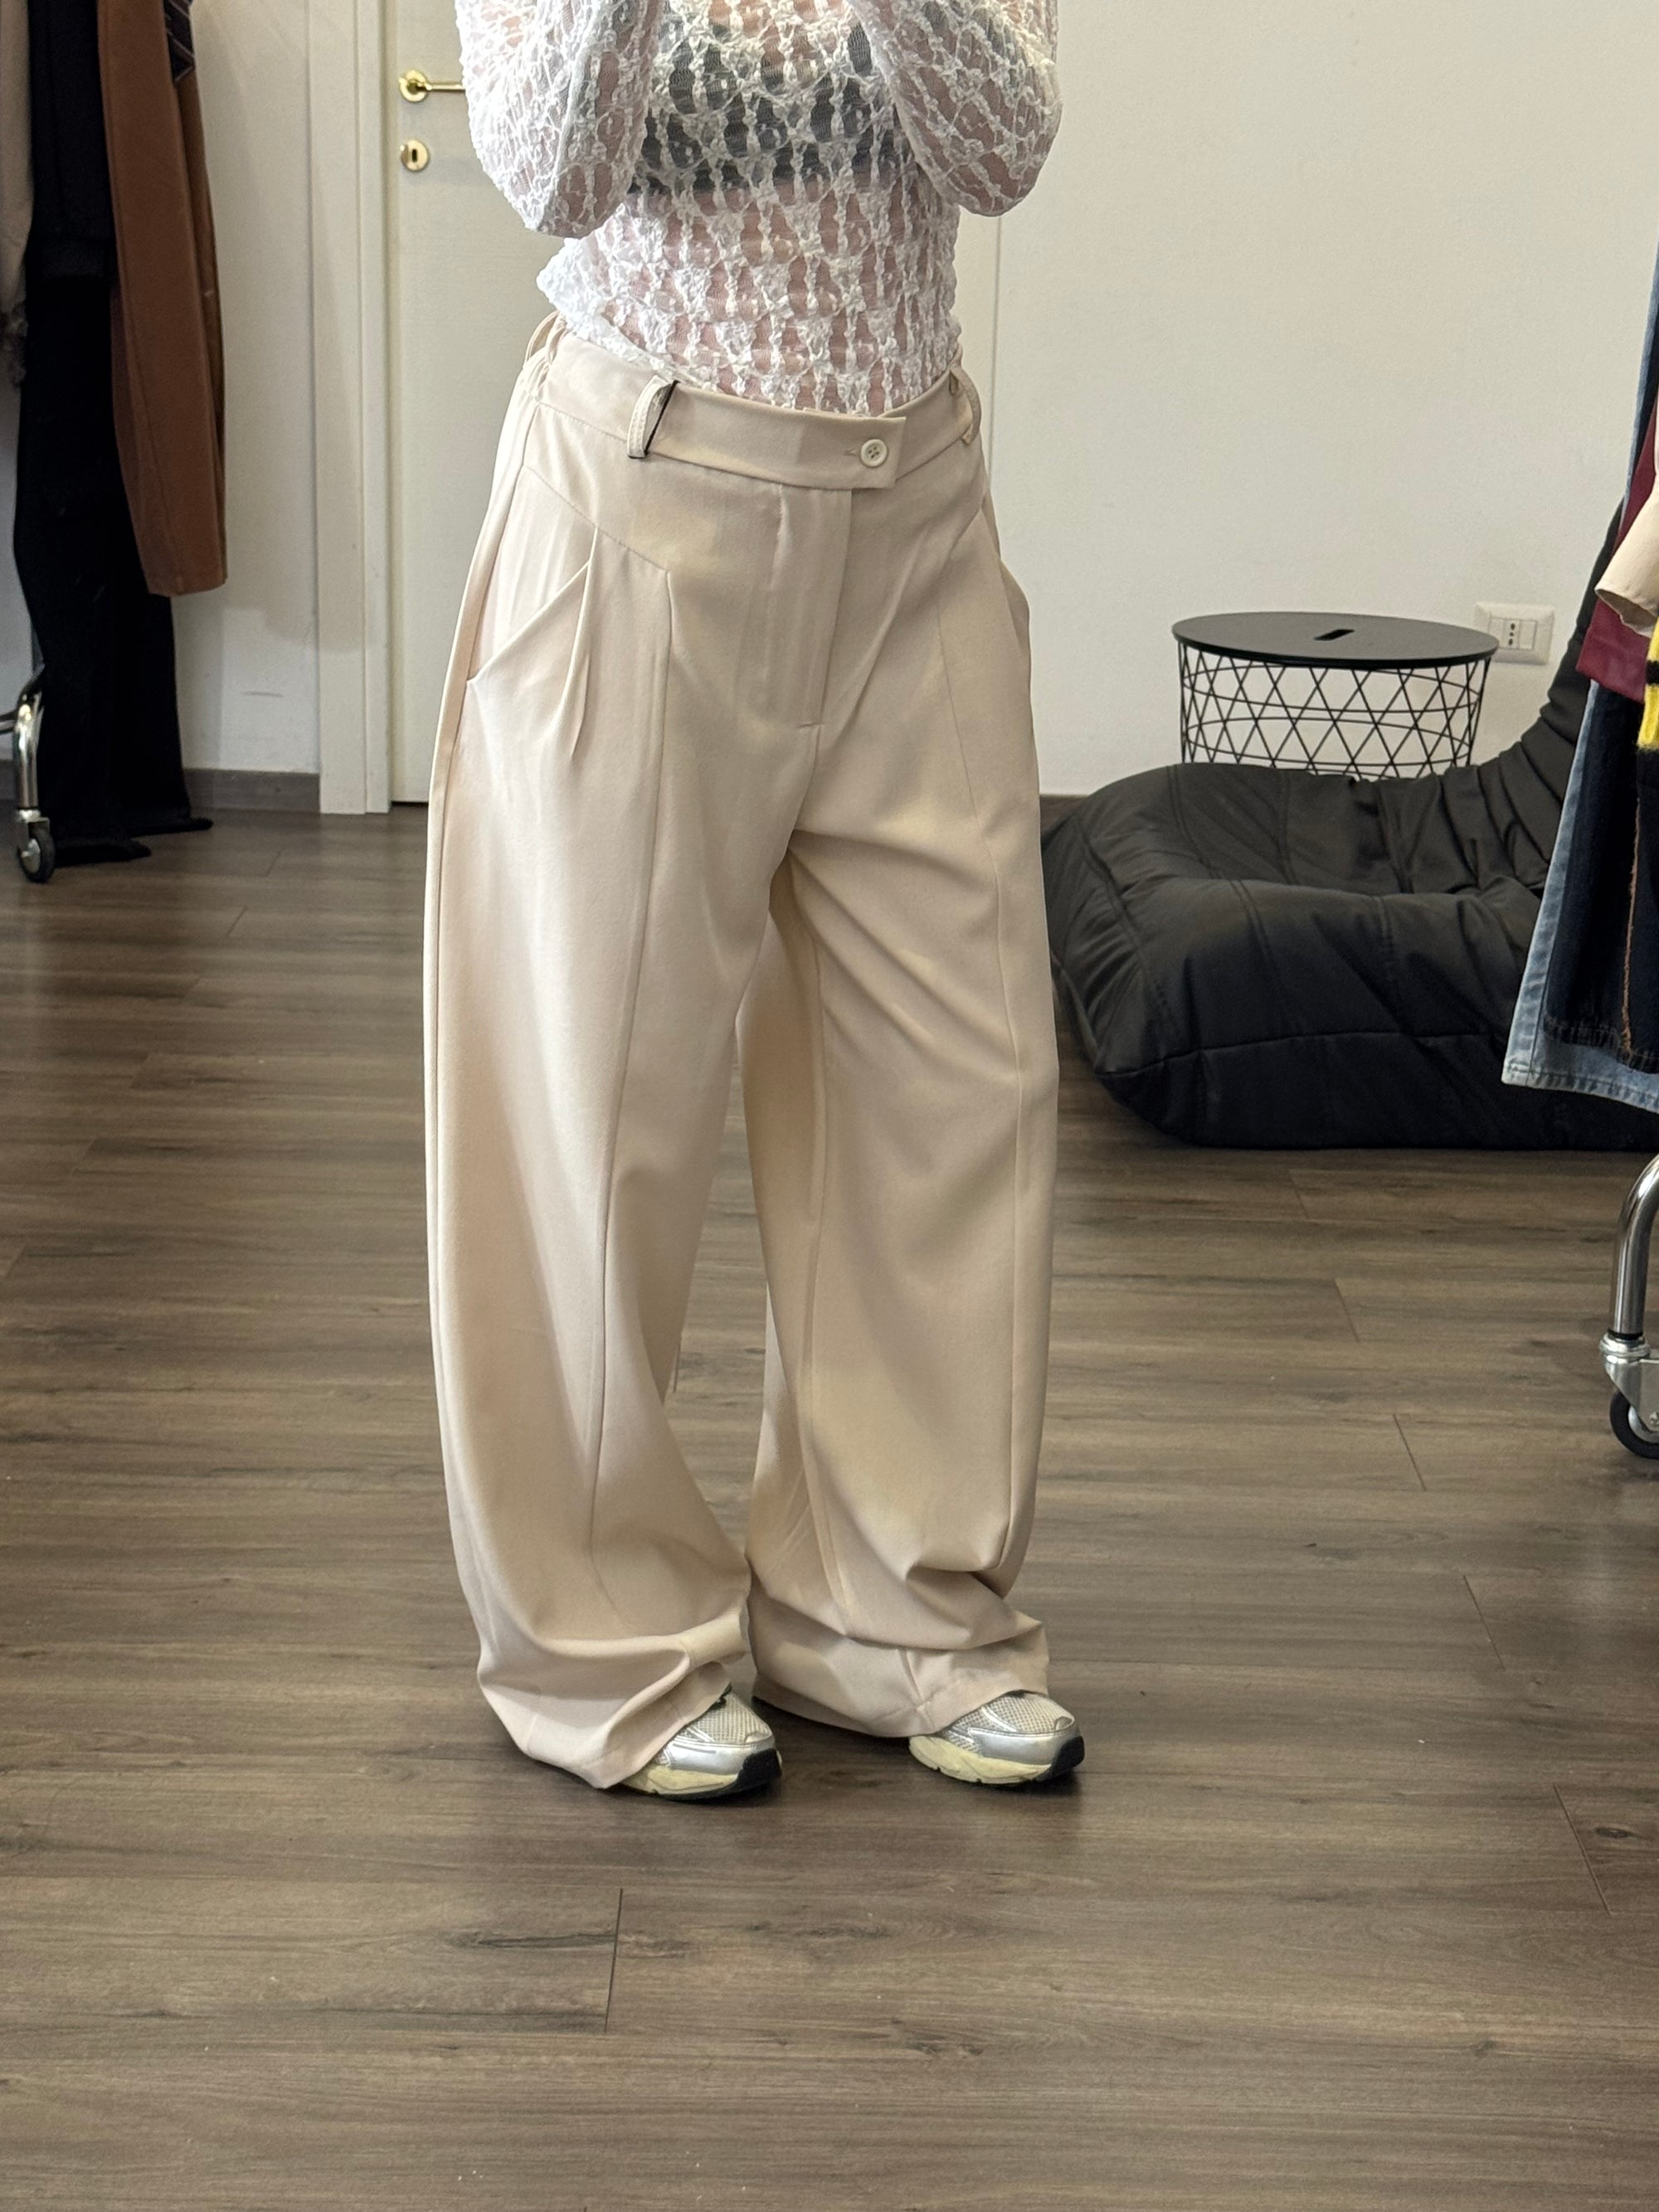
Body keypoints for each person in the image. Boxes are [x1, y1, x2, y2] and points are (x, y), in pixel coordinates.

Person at [425, 0, 1079, 1801]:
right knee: (591, 1105)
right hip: (642, 503)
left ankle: (896, 1610)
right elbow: (549, 166)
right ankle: (601, 1637)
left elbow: (999, 150)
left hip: (914, 509)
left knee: (954, 1089)